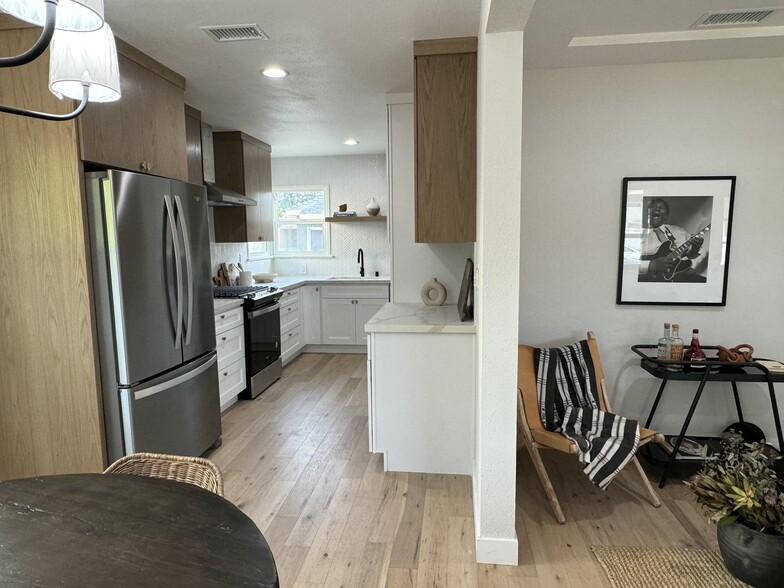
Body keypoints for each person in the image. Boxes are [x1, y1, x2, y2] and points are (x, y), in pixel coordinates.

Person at [638, 198, 707, 282]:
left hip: (683, 275)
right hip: (652, 279)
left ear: (666, 216)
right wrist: (651, 265)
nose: (656, 209)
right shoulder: (637, 234)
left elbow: (691, 255)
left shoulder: (679, 231)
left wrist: (695, 247)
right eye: (653, 207)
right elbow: (626, 262)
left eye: (661, 208)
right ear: (647, 213)